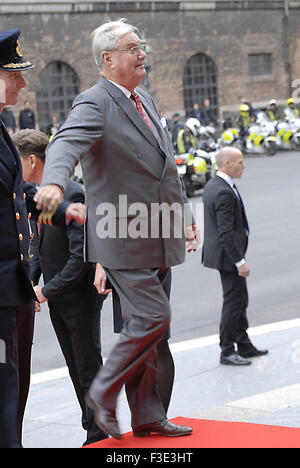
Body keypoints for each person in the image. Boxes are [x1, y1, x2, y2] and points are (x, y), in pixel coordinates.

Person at [34, 18, 200, 440]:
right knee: (150, 319)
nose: (142, 52)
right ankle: (104, 394)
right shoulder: (93, 102)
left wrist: (184, 216)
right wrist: (53, 181)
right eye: (132, 47)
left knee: (153, 330)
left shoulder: (143, 97)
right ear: (107, 58)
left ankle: (147, 416)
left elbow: (165, 166)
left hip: (159, 231)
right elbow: (64, 143)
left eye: (142, 44)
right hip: (122, 237)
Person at [0, 29, 86, 449]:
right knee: (5, 381)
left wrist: (63, 209)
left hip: (14, 287)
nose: (23, 83)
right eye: (14, 74)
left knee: (14, 380)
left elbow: (16, 197)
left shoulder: (2, 127)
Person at [12, 129, 108, 447]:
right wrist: (32, 282)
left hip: (78, 297)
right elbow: (41, 246)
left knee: (87, 364)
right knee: (74, 365)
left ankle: (99, 431)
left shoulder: (70, 192)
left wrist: (45, 290)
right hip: (58, 296)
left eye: (17, 161)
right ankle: (91, 427)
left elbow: (80, 260)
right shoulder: (42, 194)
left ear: (32, 159)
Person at [202, 147, 268, 366]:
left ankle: (243, 343)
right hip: (228, 256)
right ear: (227, 164)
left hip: (225, 254)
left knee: (240, 300)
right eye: (240, 161)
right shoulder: (222, 191)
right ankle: (227, 350)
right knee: (233, 303)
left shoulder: (215, 185)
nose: (244, 165)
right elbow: (226, 232)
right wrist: (240, 262)